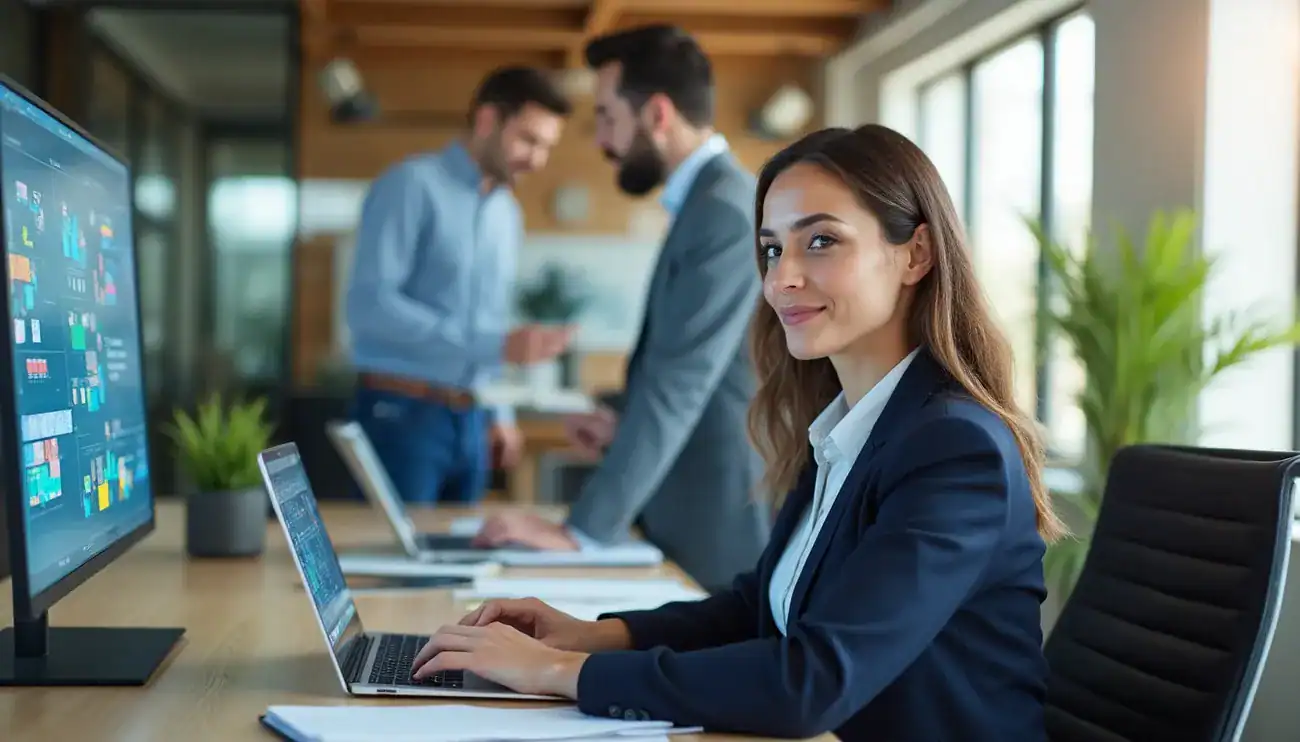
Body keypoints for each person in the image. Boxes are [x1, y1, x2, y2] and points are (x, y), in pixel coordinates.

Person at [410, 124, 1067, 741]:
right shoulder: (855, 424)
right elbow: (758, 608)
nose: (781, 277)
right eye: (772, 248)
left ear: (915, 253)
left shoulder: (955, 448)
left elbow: (813, 679)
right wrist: (587, 636)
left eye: (821, 241)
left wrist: (556, 674)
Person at [471, 25, 770, 590]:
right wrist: (621, 423)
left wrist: (582, 530)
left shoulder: (724, 212)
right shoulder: (706, 204)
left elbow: (680, 381)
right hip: (687, 507)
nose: (601, 142)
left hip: (715, 520)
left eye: (607, 116)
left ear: (658, 114)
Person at [345, 66, 574, 505]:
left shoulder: (507, 214)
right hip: (401, 414)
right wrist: (496, 345)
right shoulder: (409, 186)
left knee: (462, 566)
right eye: (528, 140)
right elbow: (369, 306)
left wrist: (498, 410)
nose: (538, 160)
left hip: (472, 420)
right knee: (396, 571)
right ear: (487, 120)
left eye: (547, 146)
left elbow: (490, 318)